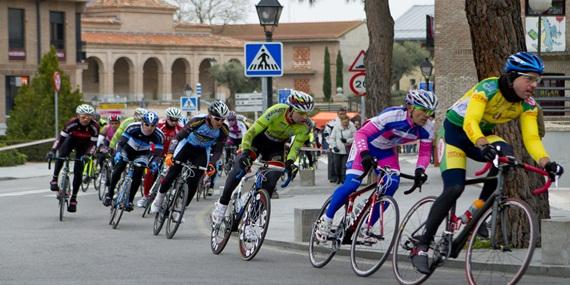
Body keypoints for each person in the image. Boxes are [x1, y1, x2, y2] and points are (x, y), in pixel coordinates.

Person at [410, 52, 565, 274]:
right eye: (529, 78)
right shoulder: (488, 88)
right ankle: (422, 245)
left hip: (483, 136)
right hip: (454, 134)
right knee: (454, 187)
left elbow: (531, 139)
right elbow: (471, 121)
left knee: (507, 157)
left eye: (537, 79)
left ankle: (476, 213)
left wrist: (547, 163)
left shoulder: (528, 105)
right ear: (512, 77)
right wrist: (483, 144)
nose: (534, 84)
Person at [315, 89, 438, 242]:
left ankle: (365, 227)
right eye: (424, 110)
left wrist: (420, 170)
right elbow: (361, 134)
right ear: (411, 108)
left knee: (391, 184)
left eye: (431, 111)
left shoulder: (428, 128)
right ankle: (326, 219)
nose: (427, 115)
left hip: (386, 152)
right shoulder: (392, 116)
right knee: (351, 185)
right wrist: (365, 154)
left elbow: (425, 153)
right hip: (366, 145)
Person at [210, 90, 315, 225]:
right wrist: (246, 151)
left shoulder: (306, 126)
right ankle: (222, 205)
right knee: (238, 169)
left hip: (276, 148)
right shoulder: (277, 111)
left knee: (270, 183)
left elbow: (295, 147)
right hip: (258, 140)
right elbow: (251, 132)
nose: (304, 117)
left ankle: (252, 223)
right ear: (291, 110)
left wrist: (289, 163)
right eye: (301, 113)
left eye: (307, 114)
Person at [150, 101, 229, 214]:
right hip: (186, 145)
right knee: (172, 173)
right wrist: (170, 153)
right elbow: (178, 137)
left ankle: (180, 210)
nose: (220, 122)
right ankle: (158, 200)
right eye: (217, 119)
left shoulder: (223, 129)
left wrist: (211, 163)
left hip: (202, 150)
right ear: (210, 116)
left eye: (223, 119)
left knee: (194, 181)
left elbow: (218, 150)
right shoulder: (198, 121)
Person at [102, 112, 165, 211]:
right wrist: (118, 153)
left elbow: (158, 153)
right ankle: (109, 194)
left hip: (142, 153)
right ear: (142, 122)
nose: (149, 127)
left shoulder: (159, 135)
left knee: (138, 173)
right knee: (119, 167)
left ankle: (130, 201)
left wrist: (154, 163)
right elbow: (121, 143)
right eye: (147, 124)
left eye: (153, 125)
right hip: (127, 149)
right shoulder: (132, 127)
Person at [46, 104, 99, 213]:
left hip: (84, 146)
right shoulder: (72, 123)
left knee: (78, 170)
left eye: (89, 117)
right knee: (61, 155)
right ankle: (54, 179)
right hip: (71, 141)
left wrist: (88, 155)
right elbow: (60, 139)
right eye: (83, 117)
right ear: (78, 116)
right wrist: (52, 150)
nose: (86, 119)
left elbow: (93, 145)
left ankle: (74, 198)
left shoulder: (94, 127)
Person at [136, 107, 184, 208]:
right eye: (172, 119)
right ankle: (145, 196)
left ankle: (162, 196)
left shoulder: (180, 128)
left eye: (176, 120)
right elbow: (150, 136)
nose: (174, 122)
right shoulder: (159, 125)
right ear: (167, 117)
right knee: (150, 172)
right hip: (157, 152)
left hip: (171, 155)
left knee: (168, 176)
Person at [329, 117, 356, 184]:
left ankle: (343, 178)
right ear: (341, 122)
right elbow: (332, 138)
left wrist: (347, 140)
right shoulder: (336, 128)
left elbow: (356, 137)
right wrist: (334, 146)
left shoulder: (352, 128)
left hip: (346, 149)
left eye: (346, 123)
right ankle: (338, 177)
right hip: (337, 149)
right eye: (344, 123)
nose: (345, 124)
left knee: (344, 166)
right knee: (337, 165)